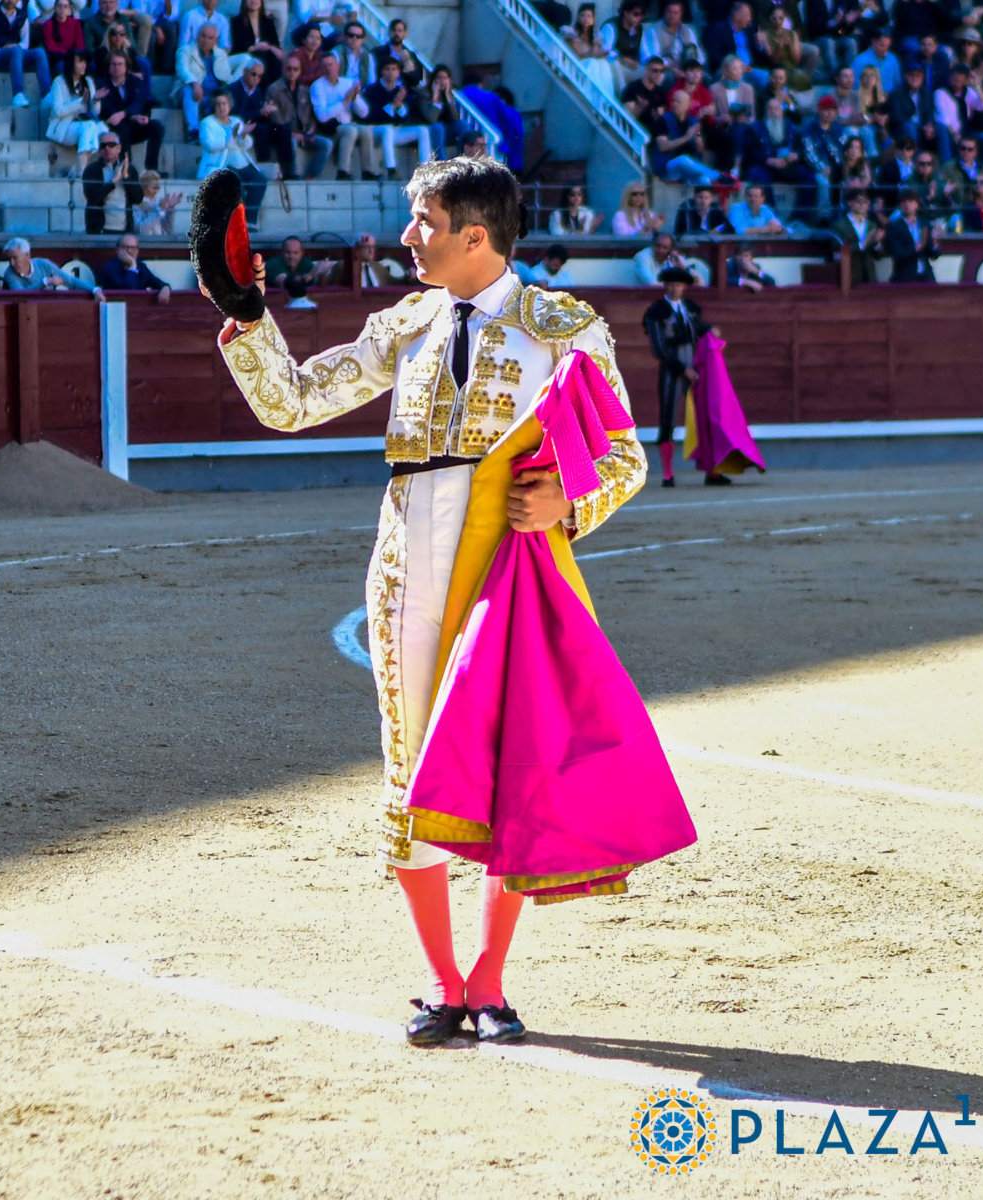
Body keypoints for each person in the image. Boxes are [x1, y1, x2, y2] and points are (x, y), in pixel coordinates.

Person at [212, 155, 664, 1049]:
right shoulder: (406, 321)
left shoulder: (563, 329)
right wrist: (246, 317)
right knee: (413, 775)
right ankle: (442, 981)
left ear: (475, 236)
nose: (407, 236)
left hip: (502, 580)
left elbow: (625, 457)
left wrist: (569, 506)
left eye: (422, 221)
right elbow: (294, 404)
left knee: (505, 770)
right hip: (402, 576)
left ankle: (490, 982)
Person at [642, 266, 707, 486]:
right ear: (664, 286)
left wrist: (711, 333)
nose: (674, 288)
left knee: (705, 415)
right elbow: (659, 348)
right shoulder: (656, 311)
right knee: (668, 417)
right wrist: (683, 369)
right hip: (672, 367)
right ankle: (667, 473)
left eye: (678, 284)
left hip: (695, 363)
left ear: (684, 287)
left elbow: (701, 330)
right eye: (670, 284)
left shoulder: (691, 308)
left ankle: (713, 470)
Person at [198, 90, 267, 228]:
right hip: (220, 164)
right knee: (235, 183)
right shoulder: (207, 123)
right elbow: (210, 145)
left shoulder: (236, 121)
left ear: (229, 105)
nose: (221, 107)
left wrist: (243, 136)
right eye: (218, 104)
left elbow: (246, 144)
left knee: (260, 180)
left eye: (224, 104)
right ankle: (237, 222)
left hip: (241, 162)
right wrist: (231, 137)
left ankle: (251, 221)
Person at [363, 59, 433, 179]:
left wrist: (400, 105)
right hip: (375, 131)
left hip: (396, 131)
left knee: (422, 130)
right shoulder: (372, 90)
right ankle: (391, 169)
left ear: (398, 72)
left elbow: (405, 117)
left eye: (394, 69)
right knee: (387, 130)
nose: (391, 72)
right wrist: (392, 106)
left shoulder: (401, 90)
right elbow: (370, 116)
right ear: (382, 71)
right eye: (387, 69)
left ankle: (426, 170)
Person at [95, 50, 164, 170]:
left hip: (132, 122)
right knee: (123, 128)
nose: (116, 67)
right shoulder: (102, 84)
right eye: (113, 64)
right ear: (109, 66)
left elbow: (138, 103)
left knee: (156, 127)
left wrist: (126, 114)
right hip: (113, 125)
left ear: (126, 66)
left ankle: (152, 169)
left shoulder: (136, 82)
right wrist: (130, 116)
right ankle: (127, 169)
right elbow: (108, 110)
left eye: (120, 64)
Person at [310, 49, 373, 180]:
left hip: (348, 124)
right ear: (321, 69)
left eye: (331, 65)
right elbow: (322, 116)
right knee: (350, 131)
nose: (328, 69)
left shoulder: (347, 83)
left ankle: (368, 171)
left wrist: (354, 98)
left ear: (337, 66)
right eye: (325, 66)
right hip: (329, 128)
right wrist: (344, 102)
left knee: (366, 131)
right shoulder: (317, 86)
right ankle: (343, 171)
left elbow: (364, 113)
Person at [650, 87, 727, 185]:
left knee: (704, 179)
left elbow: (700, 149)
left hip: (689, 168)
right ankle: (717, 176)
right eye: (673, 101)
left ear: (687, 105)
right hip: (668, 166)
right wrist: (686, 138)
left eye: (678, 102)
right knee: (683, 160)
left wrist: (697, 134)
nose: (674, 104)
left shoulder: (693, 121)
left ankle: (712, 188)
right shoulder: (663, 120)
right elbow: (663, 147)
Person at [48, 51, 108, 171]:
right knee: (89, 127)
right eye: (80, 61)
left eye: (85, 62)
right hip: (63, 127)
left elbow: (95, 112)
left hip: (83, 123)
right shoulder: (59, 82)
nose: (84, 65)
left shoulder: (88, 81)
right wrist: (80, 103)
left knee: (104, 130)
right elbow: (57, 112)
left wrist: (95, 99)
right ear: (71, 63)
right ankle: (81, 171)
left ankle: (76, 168)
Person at [176, 21, 238, 131]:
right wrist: (194, 83)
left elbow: (225, 75)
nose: (206, 40)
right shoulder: (185, 50)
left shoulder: (220, 54)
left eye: (210, 38)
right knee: (188, 91)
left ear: (216, 41)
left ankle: (230, 128)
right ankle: (193, 130)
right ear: (197, 36)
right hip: (193, 90)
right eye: (203, 36)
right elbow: (182, 70)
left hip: (213, 93)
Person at [81, 130, 143, 233]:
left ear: (119, 148)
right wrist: (113, 182)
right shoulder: (91, 170)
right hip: (99, 231)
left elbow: (138, 198)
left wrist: (126, 177)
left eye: (111, 145)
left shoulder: (130, 169)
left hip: (125, 230)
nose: (107, 148)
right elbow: (92, 199)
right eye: (103, 145)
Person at [1, 235, 102, 295]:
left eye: (15, 258)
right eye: (9, 259)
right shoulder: (10, 273)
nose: (12, 263)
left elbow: (71, 282)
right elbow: (20, 295)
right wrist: (45, 282)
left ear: (27, 255)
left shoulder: (43, 265)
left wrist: (94, 290)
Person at [829, 186, 883, 281]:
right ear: (850, 202)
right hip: (849, 277)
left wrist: (877, 243)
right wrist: (863, 243)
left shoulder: (872, 225)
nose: (862, 205)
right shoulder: (839, 226)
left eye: (865, 202)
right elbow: (838, 251)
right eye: (859, 202)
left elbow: (878, 256)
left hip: (870, 277)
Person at [884, 186, 938, 280]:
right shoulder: (894, 226)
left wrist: (935, 245)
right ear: (900, 205)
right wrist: (916, 248)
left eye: (911, 202)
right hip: (905, 275)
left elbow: (933, 254)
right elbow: (896, 253)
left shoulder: (925, 224)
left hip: (926, 275)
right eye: (904, 202)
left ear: (917, 204)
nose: (907, 205)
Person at [99, 231, 171, 300]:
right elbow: (128, 293)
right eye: (125, 247)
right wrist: (133, 267)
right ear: (117, 250)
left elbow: (157, 282)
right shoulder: (110, 268)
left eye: (132, 248)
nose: (129, 251)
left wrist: (165, 287)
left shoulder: (141, 266)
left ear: (137, 251)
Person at [567, 3, 618, 98]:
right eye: (583, 15)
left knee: (604, 64)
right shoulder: (572, 34)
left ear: (593, 19)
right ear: (578, 17)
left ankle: (607, 97)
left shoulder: (596, 36)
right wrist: (595, 53)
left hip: (591, 61)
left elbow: (595, 53)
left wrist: (600, 50)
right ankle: (594, 95)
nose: (586, 19)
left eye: (589, 16)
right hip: (577, 63)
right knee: (592, 63)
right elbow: (579, 55)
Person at [371, 17, 423, 91]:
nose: (396, 34)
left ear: (405, 33)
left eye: (400, 31)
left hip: (404, 92)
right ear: (389, 32)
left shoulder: (411, 55)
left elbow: (416, 79)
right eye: (394, 30)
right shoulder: (378, 52)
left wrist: (407, 64)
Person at [133, 169, 181, 234]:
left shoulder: (159, 203)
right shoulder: (136, 205)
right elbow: (141, 230)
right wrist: (159, 209)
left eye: (158, 188)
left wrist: (170, 209)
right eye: (154, 188)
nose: (156, 191)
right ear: (144, 186)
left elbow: (168, 230)